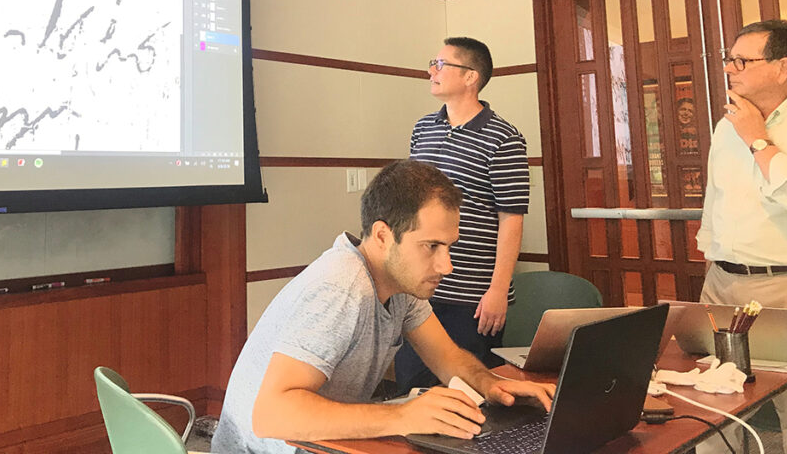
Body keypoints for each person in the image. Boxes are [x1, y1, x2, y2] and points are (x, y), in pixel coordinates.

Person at [211, 159, 554, 454]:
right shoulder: (342, 286)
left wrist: (491, 383)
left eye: (448, 246)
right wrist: (403, 416)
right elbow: (271, 415)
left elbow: (447, 357)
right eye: (431, 246)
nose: (446, 265)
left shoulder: (399, 282)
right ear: (382, 236)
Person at [395, 37, 529, 392]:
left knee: (467, 391)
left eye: (440, 64)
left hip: (472, 295)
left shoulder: (504, 138)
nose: (431, 71)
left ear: (471, 76)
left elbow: (512, 218)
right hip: (419, 289)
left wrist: (498, 290)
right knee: (411, 387)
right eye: (432, 63)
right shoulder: (423, 128)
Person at [696, 19, 787, 454]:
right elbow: (715, 199)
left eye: (742, 60)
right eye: (728, 59)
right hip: (721, 283)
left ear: (783, 66)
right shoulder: (727, 125)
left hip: (784, 285)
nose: (731, 69)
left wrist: (758, 139)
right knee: (712, 406)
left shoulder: (759, 127)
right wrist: (710, 256)